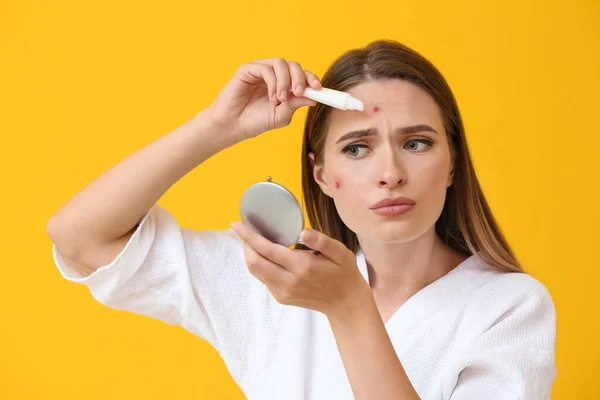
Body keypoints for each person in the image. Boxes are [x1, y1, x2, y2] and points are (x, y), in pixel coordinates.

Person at [47, 40, 556, 399]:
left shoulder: (509, 309)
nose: (390, 173)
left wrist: (352, 312)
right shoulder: (273, 284)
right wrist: (217, 126)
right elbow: (79, 237)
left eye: (416, 143)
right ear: (322, 176)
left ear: (452, 164)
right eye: (357, 148)